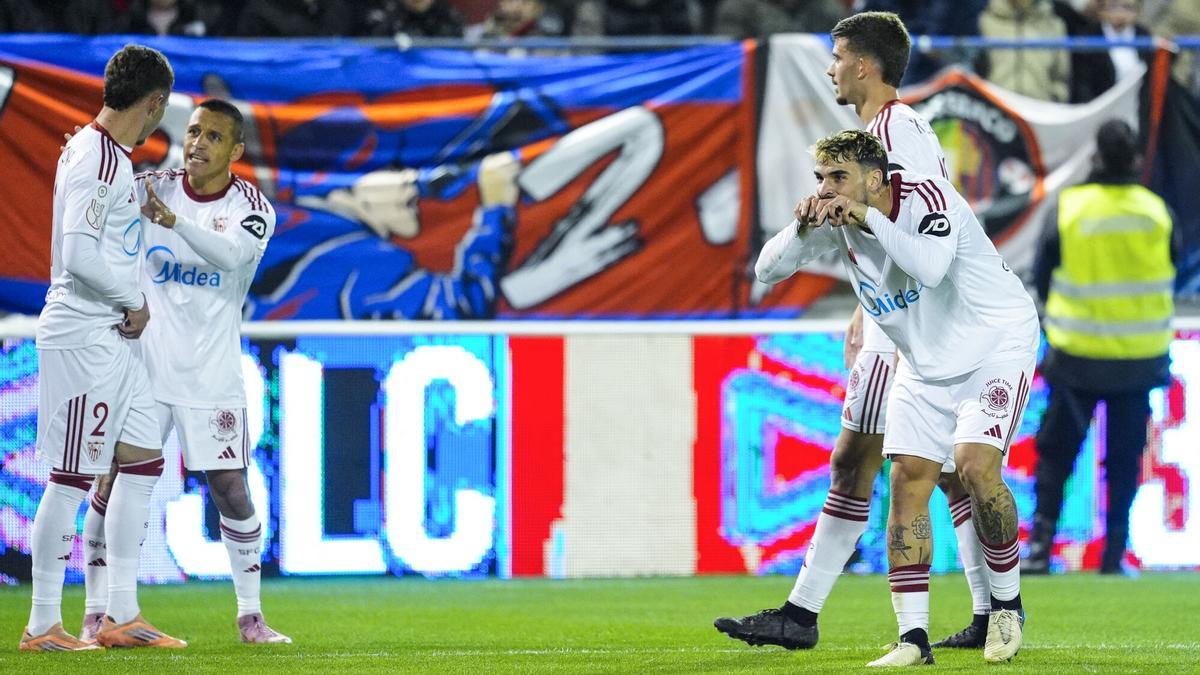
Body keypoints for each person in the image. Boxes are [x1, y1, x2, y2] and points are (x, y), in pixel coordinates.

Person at [714, 11, 996, 653]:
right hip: (900, 320)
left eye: (837, 56)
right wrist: (864, 306)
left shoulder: (898, 131)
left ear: (864, 65)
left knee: (859, 463)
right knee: (935, 472)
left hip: (907, 334)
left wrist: (888, 323)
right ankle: (984, 612)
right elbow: (893, 235)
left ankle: (804, 614)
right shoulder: (886, 131)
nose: (830, 68)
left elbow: (931, 233)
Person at [756, 129, 1035, 665]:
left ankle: (1005, 607)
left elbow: (929, 269)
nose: (827, 189)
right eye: (820, 178)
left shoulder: (928, 197)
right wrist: (800, 225)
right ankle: (914, 640)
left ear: (876, 178)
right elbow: (767, 271)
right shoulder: (835, 219)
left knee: (974, 467)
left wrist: (869, 220)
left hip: (995, 344)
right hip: (925, 362)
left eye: (838, 178)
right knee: (906, 478)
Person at [78, 99, 289, 644]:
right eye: (193, 131)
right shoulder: (150, 187)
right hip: (143, 368)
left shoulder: (253, 208)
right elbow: (95, 235)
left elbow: (230, 257)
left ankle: (250, 616)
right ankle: (100, 610)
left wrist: (173, 223)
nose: (197, 143)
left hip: (210, 375)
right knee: (113, 481)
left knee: (231, 490)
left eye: (213, 137)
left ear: (235, 151)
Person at [22, 44, 185, 652]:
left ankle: (118, 613)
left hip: (115, 339)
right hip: (86, 332)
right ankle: (43, 624)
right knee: (70, 479)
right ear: (153, 104)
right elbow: (81, 254)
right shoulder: (96, 158)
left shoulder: (106, 156)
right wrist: (133, 301)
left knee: (143, 459)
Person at [1025, 119, 1176, 575]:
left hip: (1078, 356)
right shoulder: (1155, 211)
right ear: (1132, 160)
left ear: (1095, 157)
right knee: (1125, 460)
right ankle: (1114, 553)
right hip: (1139, 358)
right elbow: (1176, 263)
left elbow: (1042, 272)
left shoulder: (1072, 208)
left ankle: (1040, 547)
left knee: (1056, 455)